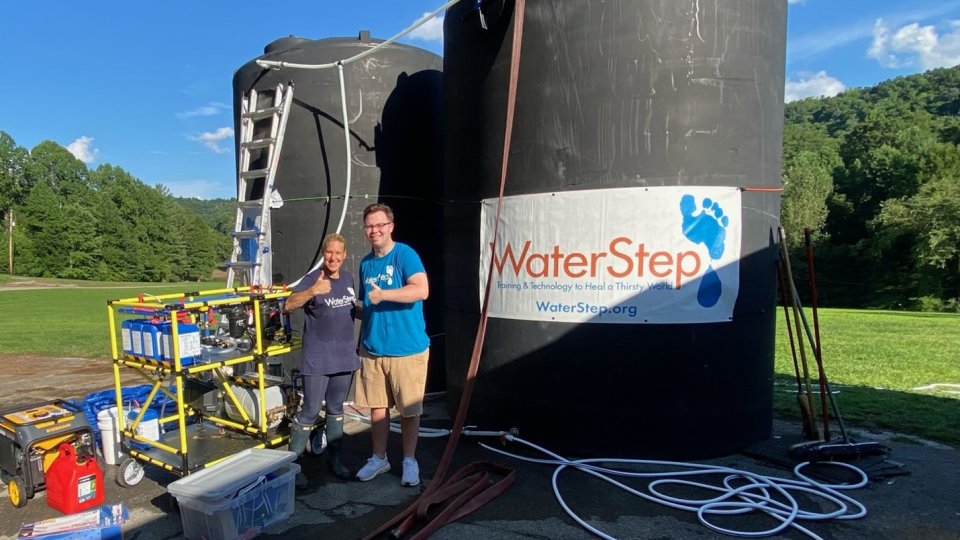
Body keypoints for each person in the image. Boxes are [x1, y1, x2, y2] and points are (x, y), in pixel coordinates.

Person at [354, 203, 430, 487]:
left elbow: (421, 290)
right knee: (377, 407)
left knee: (409, 410)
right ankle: (379, 458)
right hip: (373, 349)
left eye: (379, 225)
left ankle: (409, 460)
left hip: (407, 349)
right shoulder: (365, 263)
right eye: (369, 226)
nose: (374, 230)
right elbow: (368, 305)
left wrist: (384, 294)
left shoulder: (404, 254)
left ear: (390, 226)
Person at [284, 233, 358, 486]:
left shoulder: (348, 278)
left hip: (344, 356)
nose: (333, 257)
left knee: (337, 409)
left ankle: (335, 461)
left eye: (338, 253)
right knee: (311, 410)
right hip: (317, 358)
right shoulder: (312, 278)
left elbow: (349, 308)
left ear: (344, 255)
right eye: (329, 253)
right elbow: (288, 304)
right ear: (323, 254)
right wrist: (313, 290)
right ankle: (292, 468)